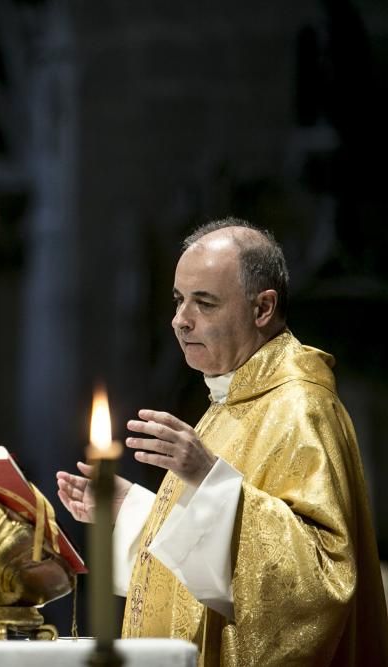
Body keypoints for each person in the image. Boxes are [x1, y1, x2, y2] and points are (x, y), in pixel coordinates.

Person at [56, 218, 388, 666]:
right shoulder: (229, 400)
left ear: (262, 308)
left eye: (204, 303)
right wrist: (135, 511)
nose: (179, 321)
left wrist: (207, 478)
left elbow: (322, 583)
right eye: (178, 301)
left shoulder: (300, 407)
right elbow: (206, 566)